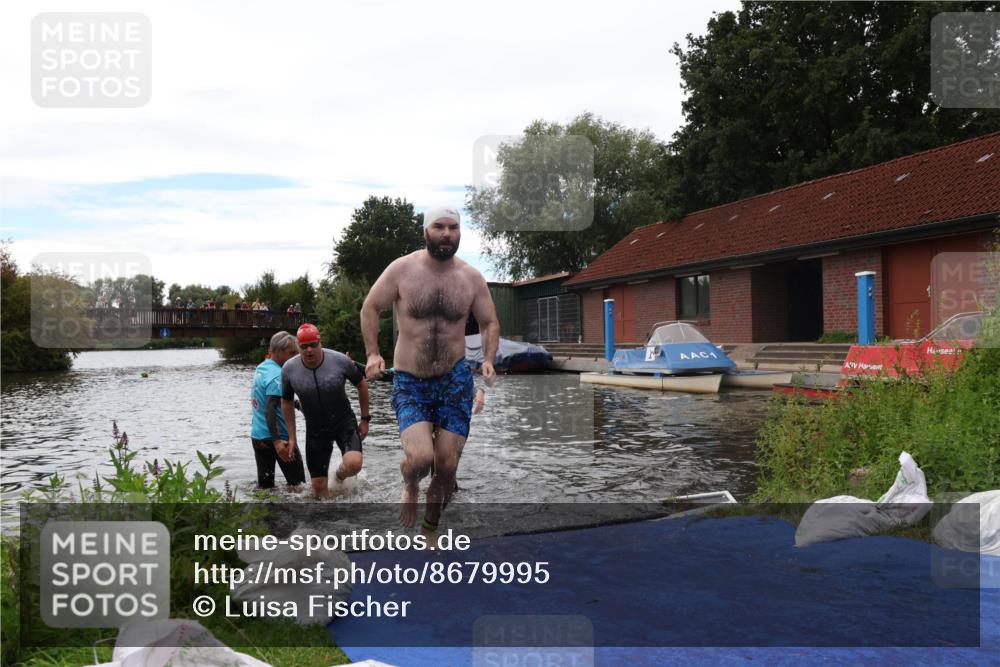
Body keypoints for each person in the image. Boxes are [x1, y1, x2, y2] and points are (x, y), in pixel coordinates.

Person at [361, 203, 499, 539]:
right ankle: (410, 483)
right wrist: (373, 354)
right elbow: (370, 308)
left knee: (447, 467)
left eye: (453, 228)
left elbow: (489, 321)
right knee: (421, 459)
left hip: (454, 380)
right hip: (411, 381)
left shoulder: (470, 278)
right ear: (426, 231)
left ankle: (429, 530)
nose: (446, 234)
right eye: (439, 227)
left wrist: (489, 358)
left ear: (460, 233)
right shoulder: (402, 270)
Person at [281, 323, 371, 498]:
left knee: (353, 464)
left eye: (313, 345)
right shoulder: (289, 369)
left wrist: (365, 419)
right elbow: (286, 401)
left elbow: (362, 384)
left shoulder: (339, 361)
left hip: (344, 423)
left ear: (320, 343)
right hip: (315, 430)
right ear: (297, 346)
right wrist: (291, 437)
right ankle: (329, 523)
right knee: (318, 490)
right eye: (304, 346)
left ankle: (339, 476)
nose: (309, 350)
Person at [250, 332, 306, 489]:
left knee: (265, 489)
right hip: (279, 438)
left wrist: (295, 403)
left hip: (258, 437)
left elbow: (265, 397)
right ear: (279, 351)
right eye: (292, 353)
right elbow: (270, 409)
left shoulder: (262, 368)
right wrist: (277, 442)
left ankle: (267, 513)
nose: (295, 357)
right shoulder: (277, 375)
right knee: (299, 487)